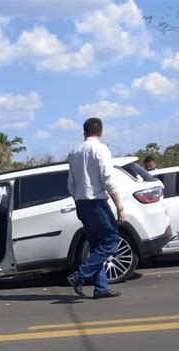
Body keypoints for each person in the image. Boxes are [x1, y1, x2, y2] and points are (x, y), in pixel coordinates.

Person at [67, 118, 125, 299]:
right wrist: (119, 206)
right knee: (110, 241)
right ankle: (80, 275)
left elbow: (71, 184)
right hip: (96, 203)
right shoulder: (101, 150)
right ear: (101, 132)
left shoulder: (75, 153)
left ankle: (101, 288)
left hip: (81, 204)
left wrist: (78, 199)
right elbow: (108, 179)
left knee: (96, 246)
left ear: (84, 132)